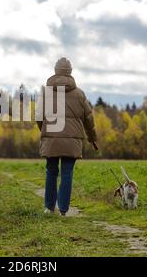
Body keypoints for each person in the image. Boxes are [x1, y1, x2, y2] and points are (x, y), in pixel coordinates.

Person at [37, 57, 98, 216]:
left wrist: (45, 132)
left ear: (55, 71)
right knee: (66, 173)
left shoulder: (46, 92)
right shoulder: (79, 94)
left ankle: (49, 208)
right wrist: (92, 138)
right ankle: (63, 210)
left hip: (51, 139)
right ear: (70, 72)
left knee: (51, 171)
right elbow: (89, 119)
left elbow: (38, 117)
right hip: (72, 141)